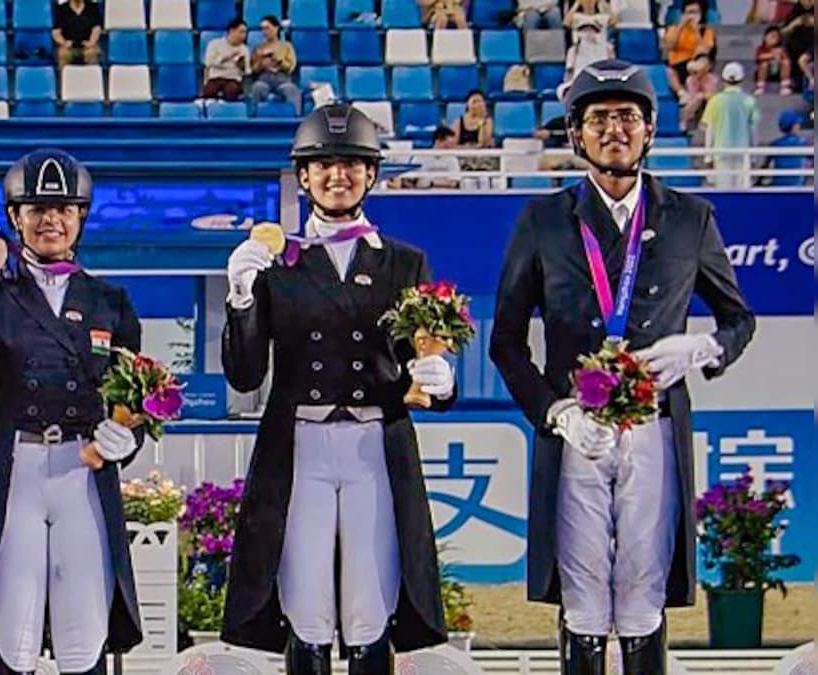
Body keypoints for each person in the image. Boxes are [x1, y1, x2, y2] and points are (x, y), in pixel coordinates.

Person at [489, 60, 755, 674]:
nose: (615, 129)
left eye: (628, 117)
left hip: (654, 427)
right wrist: (554, 413)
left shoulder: (691, 217)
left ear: (651, 129)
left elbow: (739, 319)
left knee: (643, 591)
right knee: (582, 593)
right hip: (578, 428)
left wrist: (705, 348)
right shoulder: (542, 220)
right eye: (599, 118)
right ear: (576, 134)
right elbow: (506, 340)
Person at [220, 103, 456, 674]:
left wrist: (441, 379)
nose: (337, 175)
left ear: (371, 174)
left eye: (351, 164)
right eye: (323, 165)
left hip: (375, 444)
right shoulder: (279, 264)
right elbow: (246, 374)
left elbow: (425, 355)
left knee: (369, 603)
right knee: (306, 604)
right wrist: (242, 299)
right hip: (300, 446)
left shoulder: (404, 261)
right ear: (303, 176)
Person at [0, 149, 144, 675]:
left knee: (85, 631)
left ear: (80, 217)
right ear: (15, 218)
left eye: (64, 209)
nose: (51, 219)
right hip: (16, 467)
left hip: (84, 469)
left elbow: (135, 393)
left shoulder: (110, 301)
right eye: (36, 209)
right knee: (12, 633)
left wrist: (129, 438)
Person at [701, 62, 759, 189]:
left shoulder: (715, 101)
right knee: (743, 191)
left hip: (721, 153)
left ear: (723, 80)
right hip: (743, 153)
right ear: (742, 79)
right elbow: (753, 131)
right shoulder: (749, 101)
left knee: (724, 190)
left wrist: (708, 156)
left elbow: (710, 131)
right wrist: (754, 155)